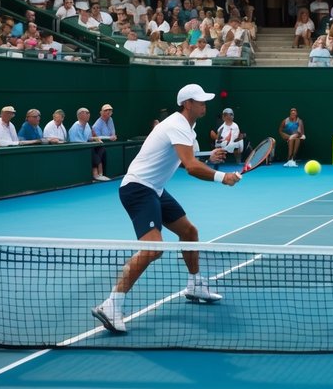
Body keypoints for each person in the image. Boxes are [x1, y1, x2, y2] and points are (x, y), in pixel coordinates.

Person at [92, 84, 240, 334]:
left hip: (155, 189)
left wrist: (209, 160)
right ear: (187, 104)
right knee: (153, 249)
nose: (205, 104)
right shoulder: (176, 125)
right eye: (200, 101)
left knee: (189, 232)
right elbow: (191, 167)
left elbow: (185, 161)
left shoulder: (188, 128)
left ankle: (195, 285)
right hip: (138, 188)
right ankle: (111, 305)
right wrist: (220, 177)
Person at [92, 104, 118, 180]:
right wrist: (110, 137)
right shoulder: (96, 125)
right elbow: (97, 137)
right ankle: (99, 174)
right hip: (99, 145)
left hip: (110, 143)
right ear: (101, 112)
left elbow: (113, 132)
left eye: (110, 110)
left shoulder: (110, 120)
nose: (108, 112)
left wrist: (112, 136)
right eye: (106, 110)